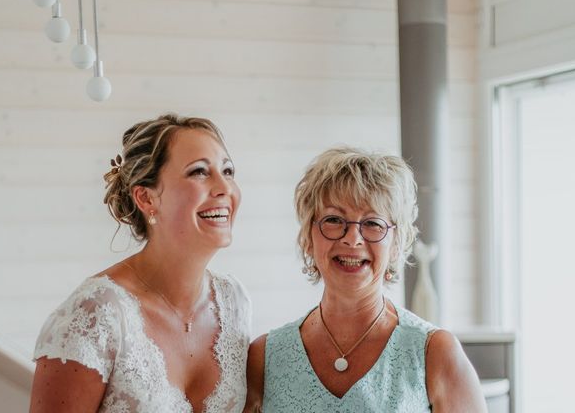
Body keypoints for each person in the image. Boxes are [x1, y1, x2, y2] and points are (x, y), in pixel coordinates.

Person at [30, 114, 251, 413]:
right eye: (199, 172)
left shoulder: (233, 302)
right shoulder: (95, 315)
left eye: (228, 170)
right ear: (146, 199)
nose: (224, 187)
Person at [244, 148, 486, 412]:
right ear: (308, 237)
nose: (352, 239)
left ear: (396, 244)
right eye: (334, 220)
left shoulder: (434, 352)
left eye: (372, 223)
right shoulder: (264, 357)